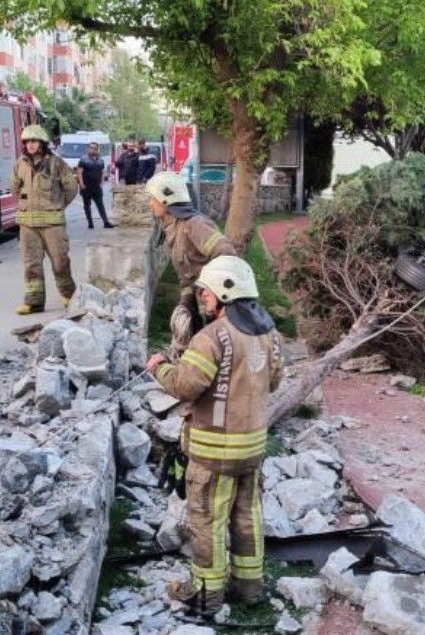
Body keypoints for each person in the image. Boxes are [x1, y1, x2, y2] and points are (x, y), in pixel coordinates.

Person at [145, 255, 283, 615]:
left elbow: (185, 385)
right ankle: (250, 588)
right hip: (251, 450)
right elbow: (275, 381)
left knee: (206, 521)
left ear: (225, 292)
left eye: (206, 294)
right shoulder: (270, 333)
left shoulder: (211, 337)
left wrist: (159, 367)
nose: (203, 300)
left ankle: (205, 595)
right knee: (247, 517)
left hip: (213, 455)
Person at [146, 171, 237, 353]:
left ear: (166, 200)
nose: (150, 204)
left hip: (218, 306)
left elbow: (227, 255)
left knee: (217, 352)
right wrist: (186, 302)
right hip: (201, 304)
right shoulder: (174, 228)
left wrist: (213, 294)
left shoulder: (194, 225)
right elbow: (187, 275)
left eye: (153, 199)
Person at [9, 124, 79, 315]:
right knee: (31, 264)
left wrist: (57, 205)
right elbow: (15, 188)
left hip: (52, 225)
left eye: (34, 141)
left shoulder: (57, 163)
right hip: (28, 225)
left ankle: (68, 296)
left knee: (60, 262)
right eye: (27, 142)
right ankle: (34, 302)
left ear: (42, 143)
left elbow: (71, 188)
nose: (30, 145)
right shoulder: (19, 164)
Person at [76, 142, 114, 229]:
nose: (93, 150)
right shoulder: (83, 159)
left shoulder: (100, 160)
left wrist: (101, 184)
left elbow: (102, 172)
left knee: (100, 204)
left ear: (97, 150)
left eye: (95, 148)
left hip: (96, 187)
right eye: (91, 148)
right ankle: (90, 223)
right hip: (86, 186)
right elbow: (79, 172)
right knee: (87, 205)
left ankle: (106, 222)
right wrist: (81, 184)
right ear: (88, 149)